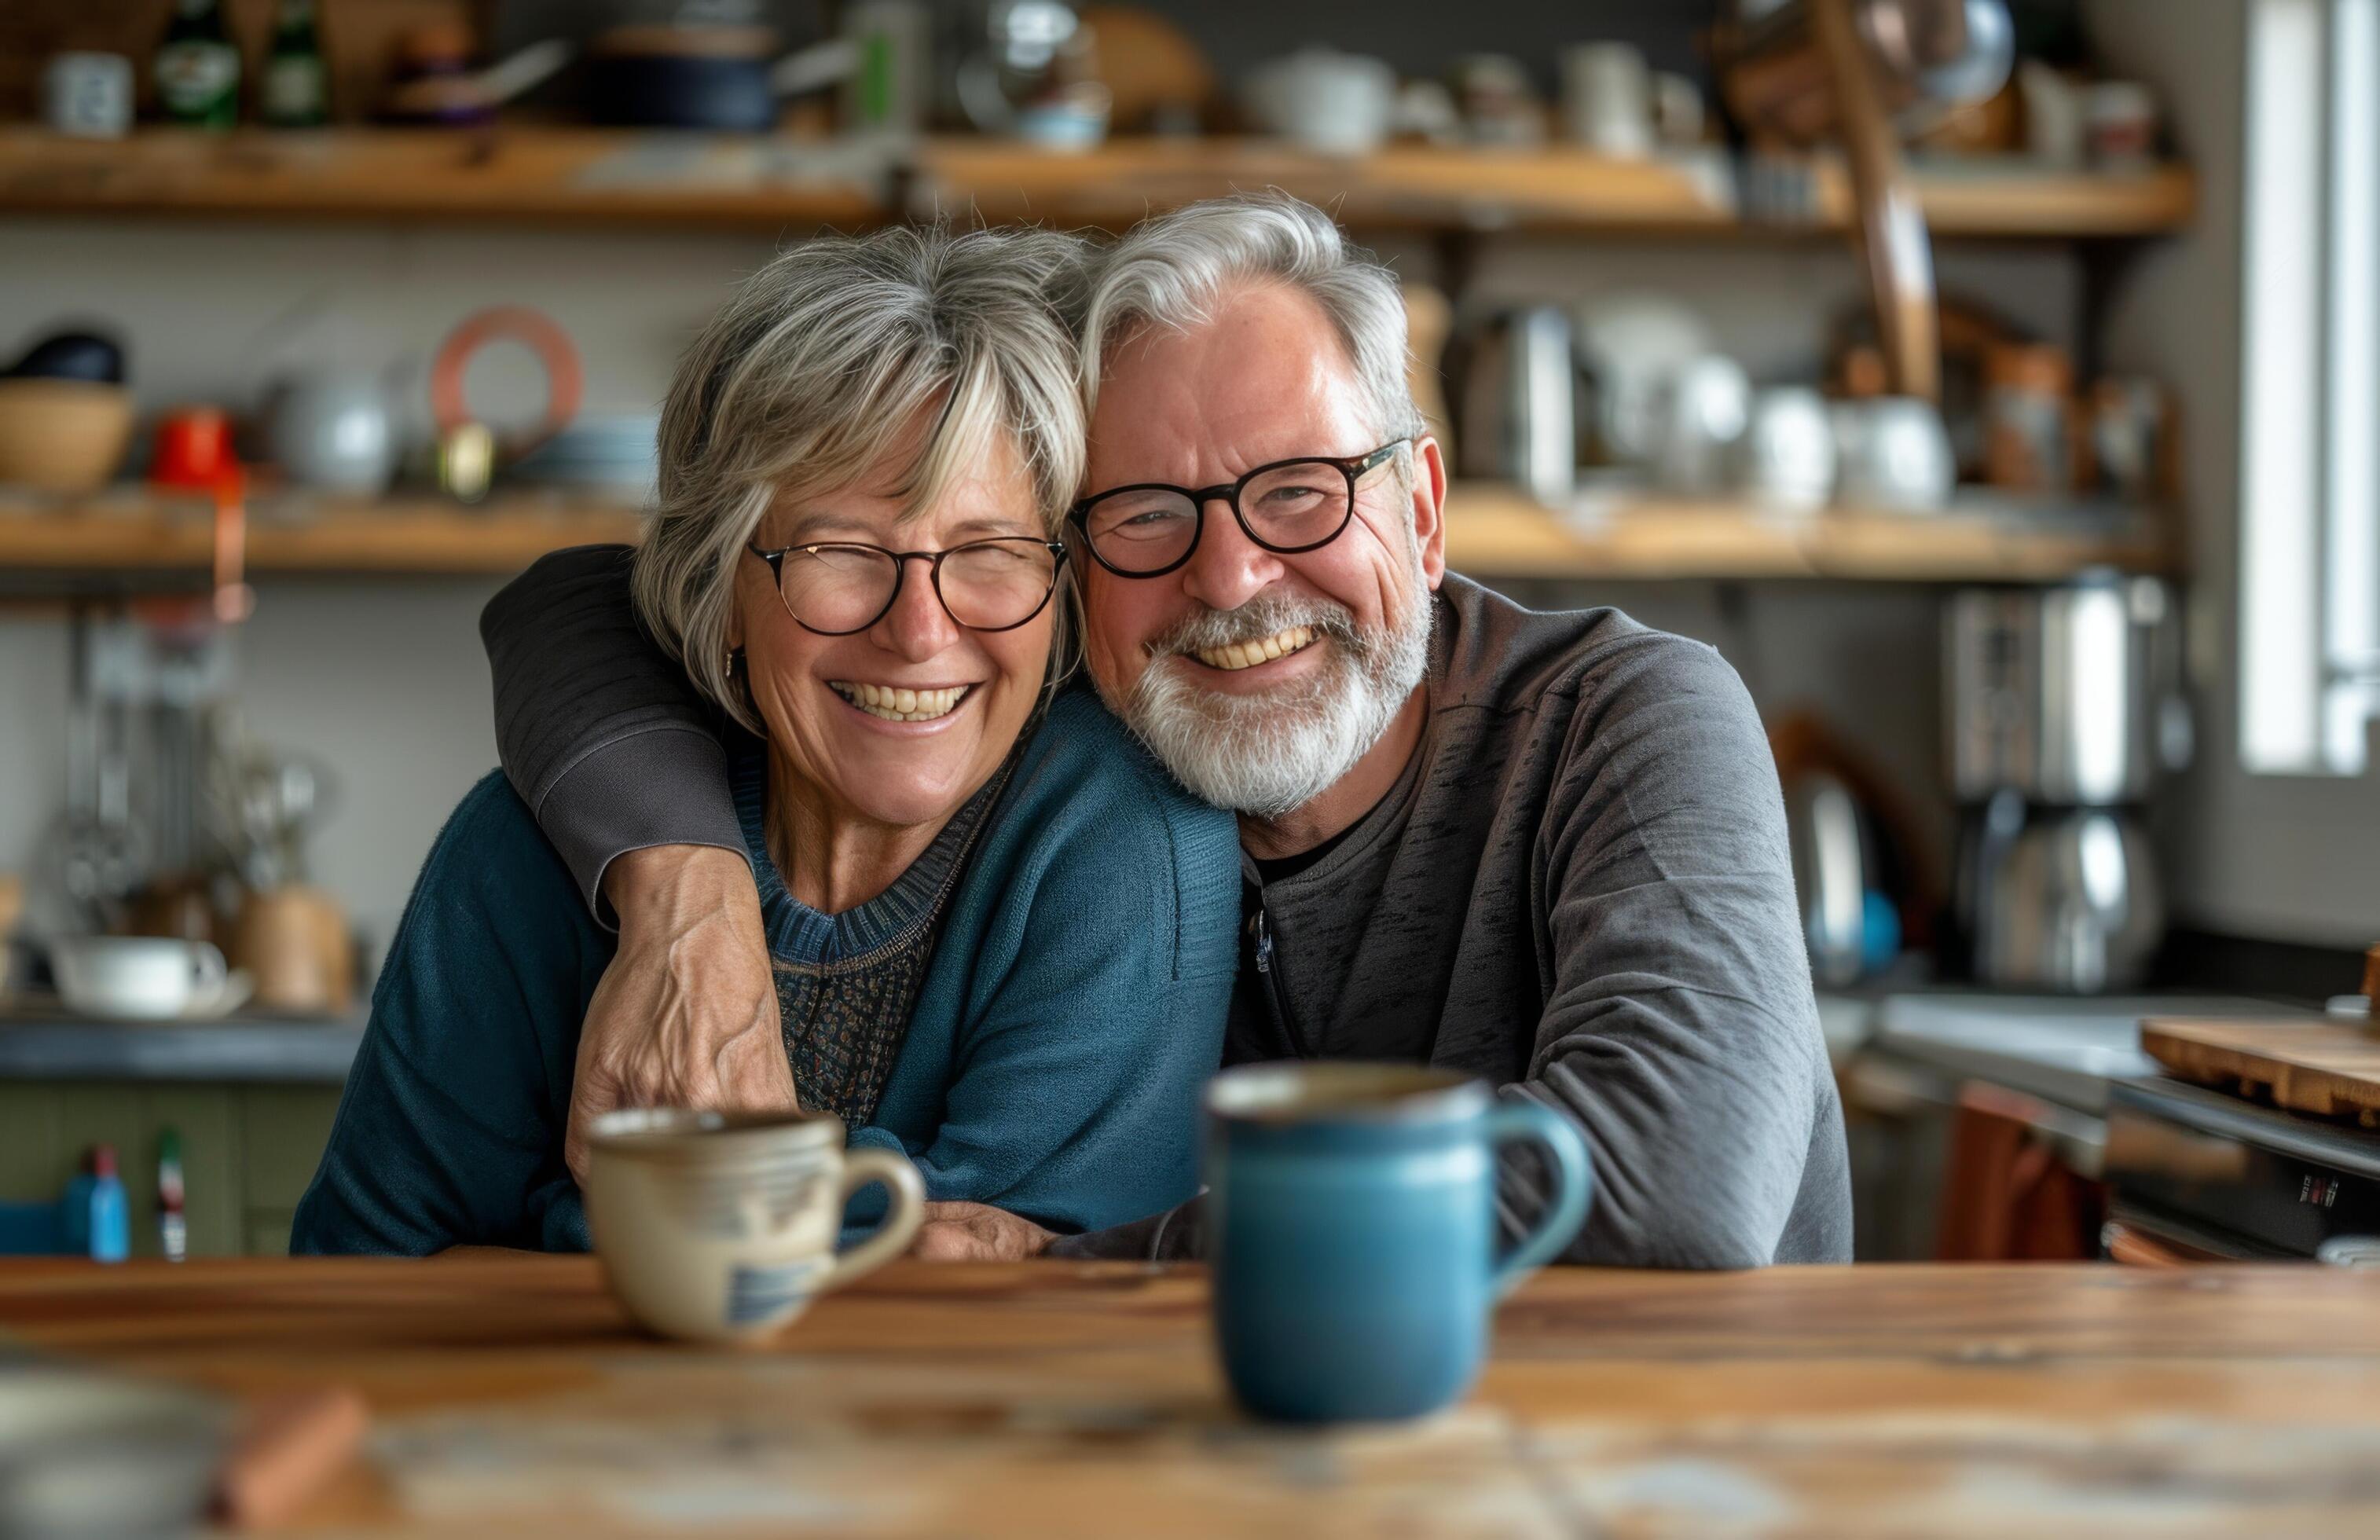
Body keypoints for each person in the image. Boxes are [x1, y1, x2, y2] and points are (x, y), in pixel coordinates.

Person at [479, 194, 1853, 1269]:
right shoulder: (1068, 716)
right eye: (1145, 514)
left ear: (1422, 512)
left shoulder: (1627, 718)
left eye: (1304, 492)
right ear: (1067, 561)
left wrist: (1103, 1262)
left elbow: (1673, 1186)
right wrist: (685, 897)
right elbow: (579, 603)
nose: (1232, 579)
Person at [290, 226, 1240, 1255]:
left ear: (1058, 584)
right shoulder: (526, 855)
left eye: (989, 552)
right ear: (721, 586)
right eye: (840, 551)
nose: (918, 630)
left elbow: (1011, 1300)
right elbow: (358, 1274)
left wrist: (576, 1227)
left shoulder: (1125, 839)